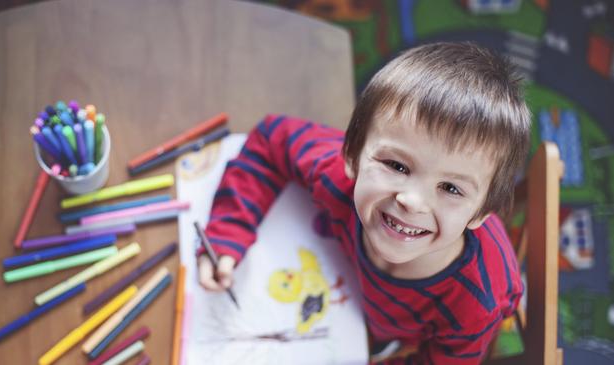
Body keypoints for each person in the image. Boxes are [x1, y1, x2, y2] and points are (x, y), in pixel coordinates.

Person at [197, 42, 529, 364]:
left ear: (481, 213)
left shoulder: (477, 302)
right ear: (352, 156)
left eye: (451, 188)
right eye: (397, 166)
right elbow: (272, 138)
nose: (412, 201)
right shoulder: (337, 178)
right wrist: (228, 233)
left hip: (387, 337)